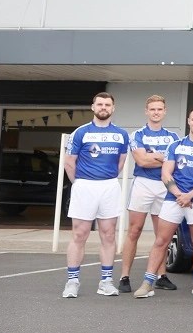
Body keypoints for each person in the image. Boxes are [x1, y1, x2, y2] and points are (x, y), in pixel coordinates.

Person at [133, 106, 193, 299]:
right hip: (174, 199)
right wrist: (179, 194)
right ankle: (148, 283)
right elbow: (165, 173)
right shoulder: (175, 145)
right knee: (162, 240)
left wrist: (189, 195)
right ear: (188, 121)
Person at [62, 92, 130, 298]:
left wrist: (104, 179)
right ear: (93, 107)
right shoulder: (80, 132)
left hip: (109, 187)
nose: (103, 108)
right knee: (79, 234)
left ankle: (106, 281)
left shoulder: (121, 134)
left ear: (113, 108)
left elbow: (120, 163)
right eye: (100, 104)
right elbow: (69, 163)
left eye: (107, 105)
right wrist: (81, 183)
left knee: (108, 234)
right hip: (84, 186)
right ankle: (72, 281)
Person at [119, 95, 179, 293]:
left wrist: (152, 156)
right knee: (134, 230)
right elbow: (142, 161)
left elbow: (174, 163)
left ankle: (161, 276)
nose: (156, 112)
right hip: (143, 184)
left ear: (165, 111)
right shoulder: (137, 134)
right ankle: (125, 277)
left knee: (162, 234)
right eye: (152, 109)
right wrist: (163, 158)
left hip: (165, 185)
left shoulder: (173, 137)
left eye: (159, 109)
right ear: (146, 111)